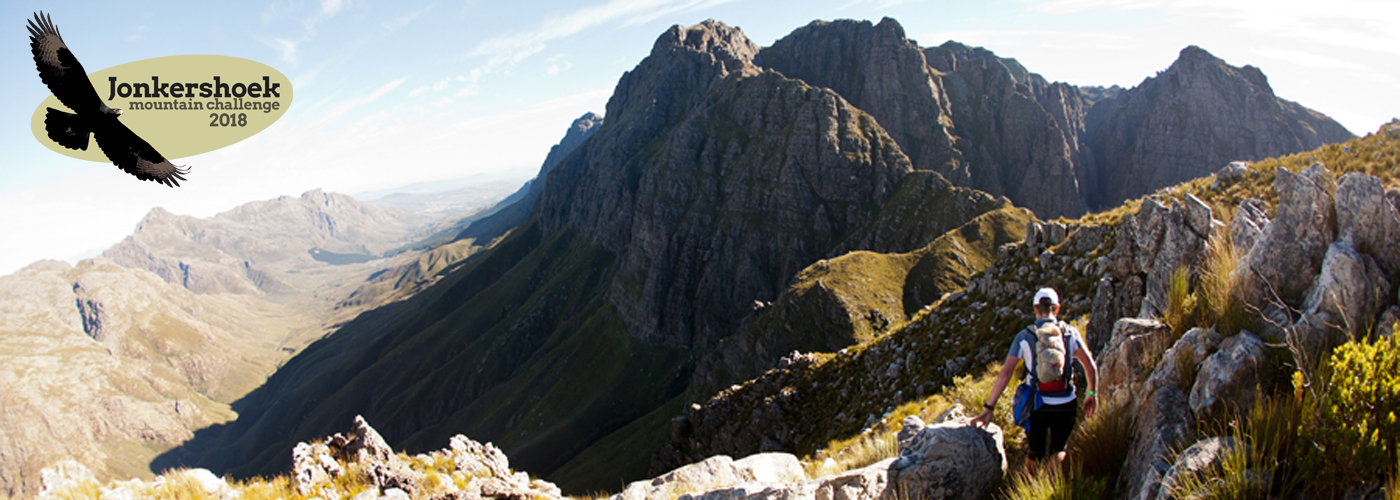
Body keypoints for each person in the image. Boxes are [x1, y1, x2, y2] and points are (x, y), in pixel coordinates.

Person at [972, 287, 1099, 472]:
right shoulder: (1071, 334)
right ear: (1057, 309)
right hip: (1066, 404)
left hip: (1037, 405)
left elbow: (1005, 373)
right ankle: (1055, 488)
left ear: (1035, 308)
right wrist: (1091, 394)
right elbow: (1091, 367)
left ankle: (1032, 488)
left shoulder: (1025, 336)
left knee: (1034, 453)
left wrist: (989, 407)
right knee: (1059, 450)